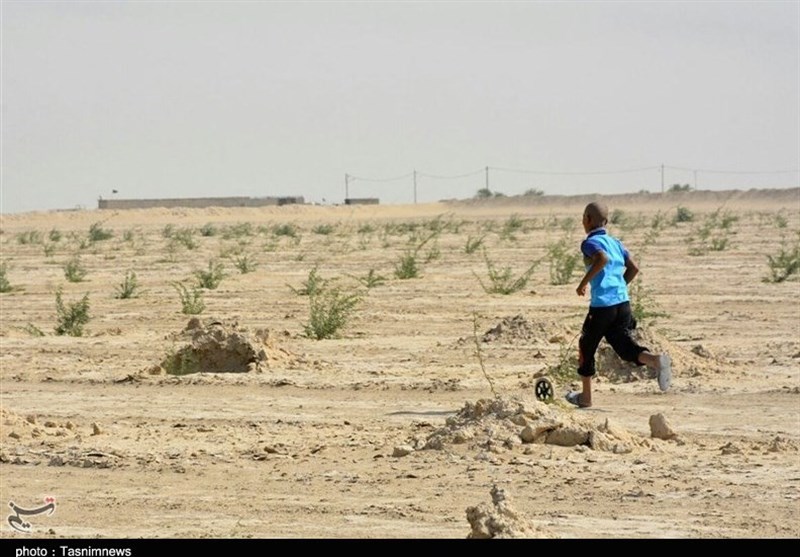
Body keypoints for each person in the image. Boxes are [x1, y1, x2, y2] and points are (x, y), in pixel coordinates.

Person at [566, 201, 671, 408]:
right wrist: (618, 287)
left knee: (586, 346)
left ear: (586, 220)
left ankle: (585, 397)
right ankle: (656, 361)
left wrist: (582, 284)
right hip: (622, 304)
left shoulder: (589, 243)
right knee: (623, 346)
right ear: (606, 221)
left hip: (602, 306)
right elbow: (633, 267)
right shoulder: (616, 242)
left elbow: (601, 259)